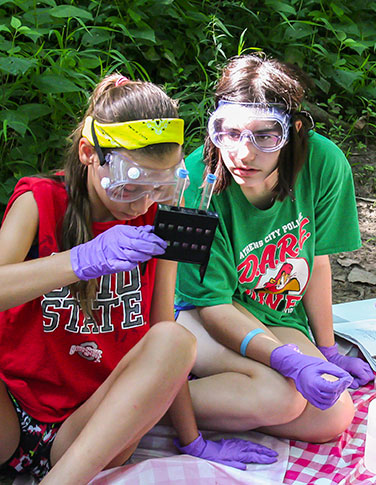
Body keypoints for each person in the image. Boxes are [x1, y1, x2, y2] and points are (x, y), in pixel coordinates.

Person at [0, 74, 278, 485]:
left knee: (176, 338)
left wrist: (192, 440)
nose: (143, 203)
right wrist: (78, 261)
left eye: (159, 187)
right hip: (11, 407)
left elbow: (164, 334)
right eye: (131, 186)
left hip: (91, 425)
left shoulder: (159, 217)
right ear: (89, 154)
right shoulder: (39, 201)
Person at [175, 53, 374, 443]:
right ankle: (134, 406)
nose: (244, 153)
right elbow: (210, 304)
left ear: (294, 130)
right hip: (196, 314)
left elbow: (316, 261)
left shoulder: (325, 163)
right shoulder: (194, 180)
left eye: (265, 135)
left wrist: (326, 348)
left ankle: (213, 395)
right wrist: (286, 361)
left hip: (273, 313)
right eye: (229, 133)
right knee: (278, 396)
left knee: (331, 418)